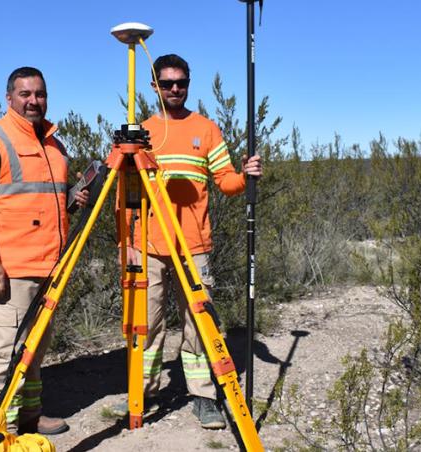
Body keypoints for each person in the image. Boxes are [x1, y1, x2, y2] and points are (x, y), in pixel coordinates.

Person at [111, 54, 263, 429]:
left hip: (194, 247)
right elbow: (124, 196)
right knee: (145, 323)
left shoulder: (206, 129)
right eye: (167, 84)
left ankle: (203, 395)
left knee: (199, 322)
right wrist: (127, 242)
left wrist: (245, 176)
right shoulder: (141, 132)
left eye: (181, 83)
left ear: (188, 84)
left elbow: (225, 181)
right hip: (148, 246)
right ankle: (142, 392)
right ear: (154, 87)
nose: (175, 89)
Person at [0, 66, 86, 436]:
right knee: (5, 353)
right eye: (25, 94)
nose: (34, 101)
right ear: (9, 98)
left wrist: (70, 199)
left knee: (33, 350)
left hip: (50, 266)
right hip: (11, 268)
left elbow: (37, 201)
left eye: (40, 94)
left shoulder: (53, 144)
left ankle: (29, 415)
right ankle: (0, 431)